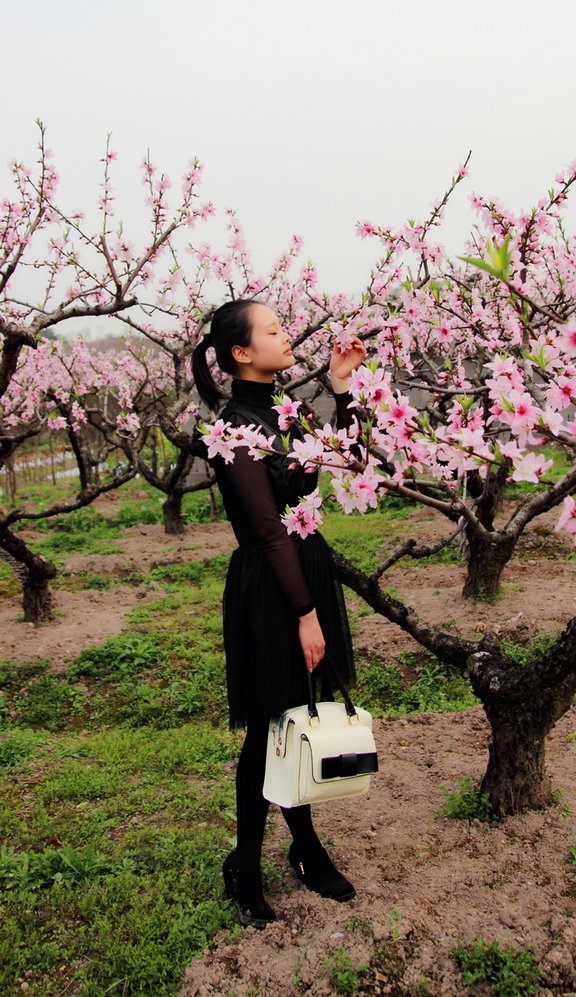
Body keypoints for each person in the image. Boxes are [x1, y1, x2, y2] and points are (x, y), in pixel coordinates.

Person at [191, 299, 366, 929]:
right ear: (241, 352)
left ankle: (306, 848)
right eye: (272, 330)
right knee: (270, 732)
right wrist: (305, 613)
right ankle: (246, 862)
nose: (285, 335)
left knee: (298, 719)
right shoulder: (231, 429)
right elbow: (266, 533)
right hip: (273, 587)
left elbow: (352, 462)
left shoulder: (283, 413)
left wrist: (342, 388)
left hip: (306, 568)